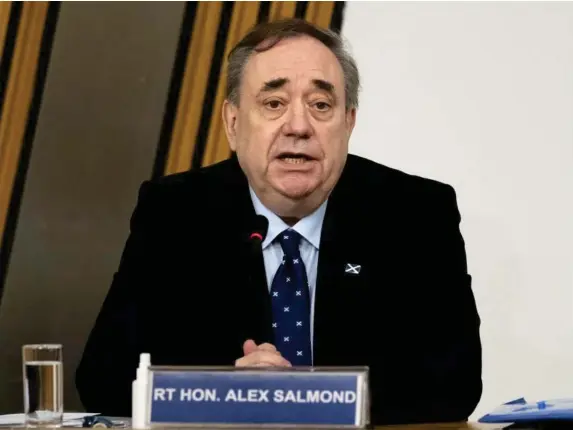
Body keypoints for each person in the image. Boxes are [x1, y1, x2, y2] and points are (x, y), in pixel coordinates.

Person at [75, 18, 482, 425]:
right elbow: (103, 380)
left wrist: (303, 397)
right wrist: (229, 391)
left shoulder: (414, 214)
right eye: (274, 104)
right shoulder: (176, 213)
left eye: (321, 105)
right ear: (233, 124)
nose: (299, 127)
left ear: (348, 123)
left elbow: (456, 384)